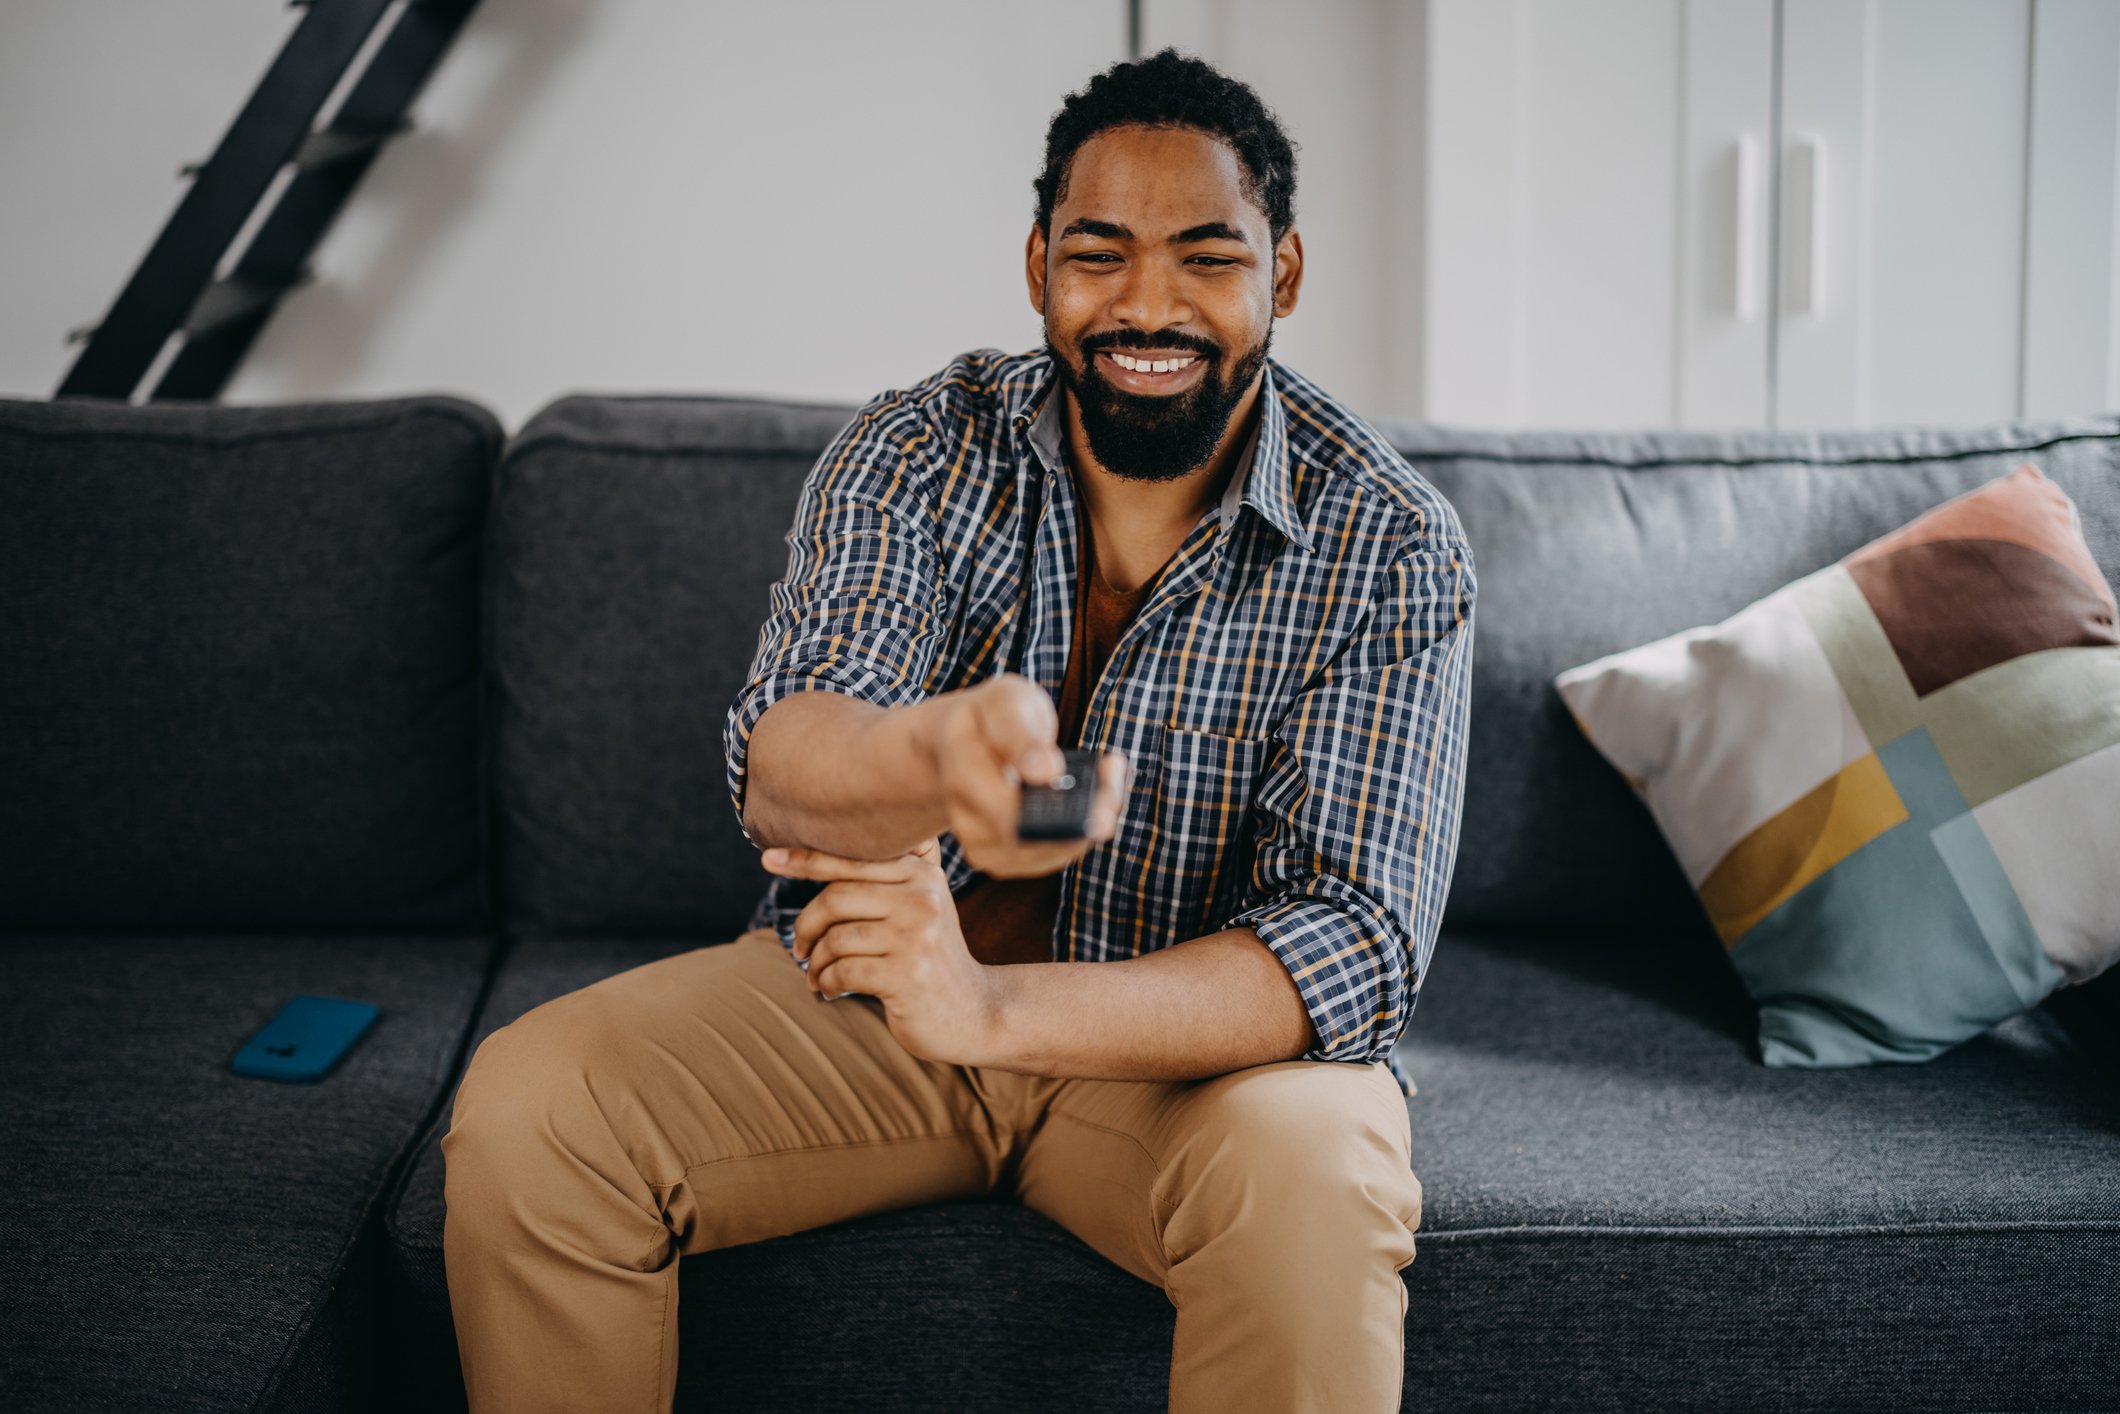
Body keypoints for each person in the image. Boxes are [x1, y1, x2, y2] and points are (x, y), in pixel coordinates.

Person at [441, 47, 1476, 1414]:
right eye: (1099, 254)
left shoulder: (1390, 542)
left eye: (1206, 259)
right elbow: (786, 761)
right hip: (879, 1019)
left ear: (1282, 275)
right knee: (530, 1106)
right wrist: (934, 762)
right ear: (1039, 262)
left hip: (1185, 1070)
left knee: (1322, 1170)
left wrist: (995, 1007)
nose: (1148, 304)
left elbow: (1352, 943)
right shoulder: (920, 449)